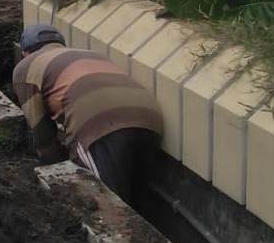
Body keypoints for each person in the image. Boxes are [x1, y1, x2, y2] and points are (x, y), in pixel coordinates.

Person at [11, 24, 164, 205]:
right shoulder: (91, 54)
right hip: (150, 117)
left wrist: (56, 168)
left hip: (99, 125)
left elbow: (41, 130)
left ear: (24, 52)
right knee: (135, 208)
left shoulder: (25, 66)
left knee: (105, 206)